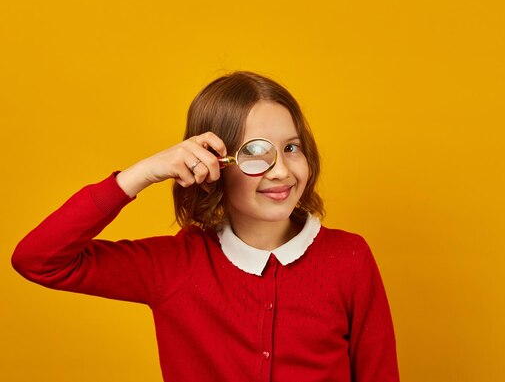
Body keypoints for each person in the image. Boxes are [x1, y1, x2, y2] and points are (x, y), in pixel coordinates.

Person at [12, 71, 399, 382]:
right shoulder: (174, 265)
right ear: (216, 164)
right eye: (255, 152)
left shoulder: (349, 257)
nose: (281, 170)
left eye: (291, 148)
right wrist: (140, 174)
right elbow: (39, 259)